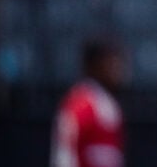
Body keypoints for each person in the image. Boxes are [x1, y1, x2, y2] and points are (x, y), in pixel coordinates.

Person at [51, 39, 127, 167]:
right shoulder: (80, 104)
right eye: (111, 63)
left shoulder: (111, 106)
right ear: (94, 65)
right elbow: (65, 154)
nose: (117, 70)